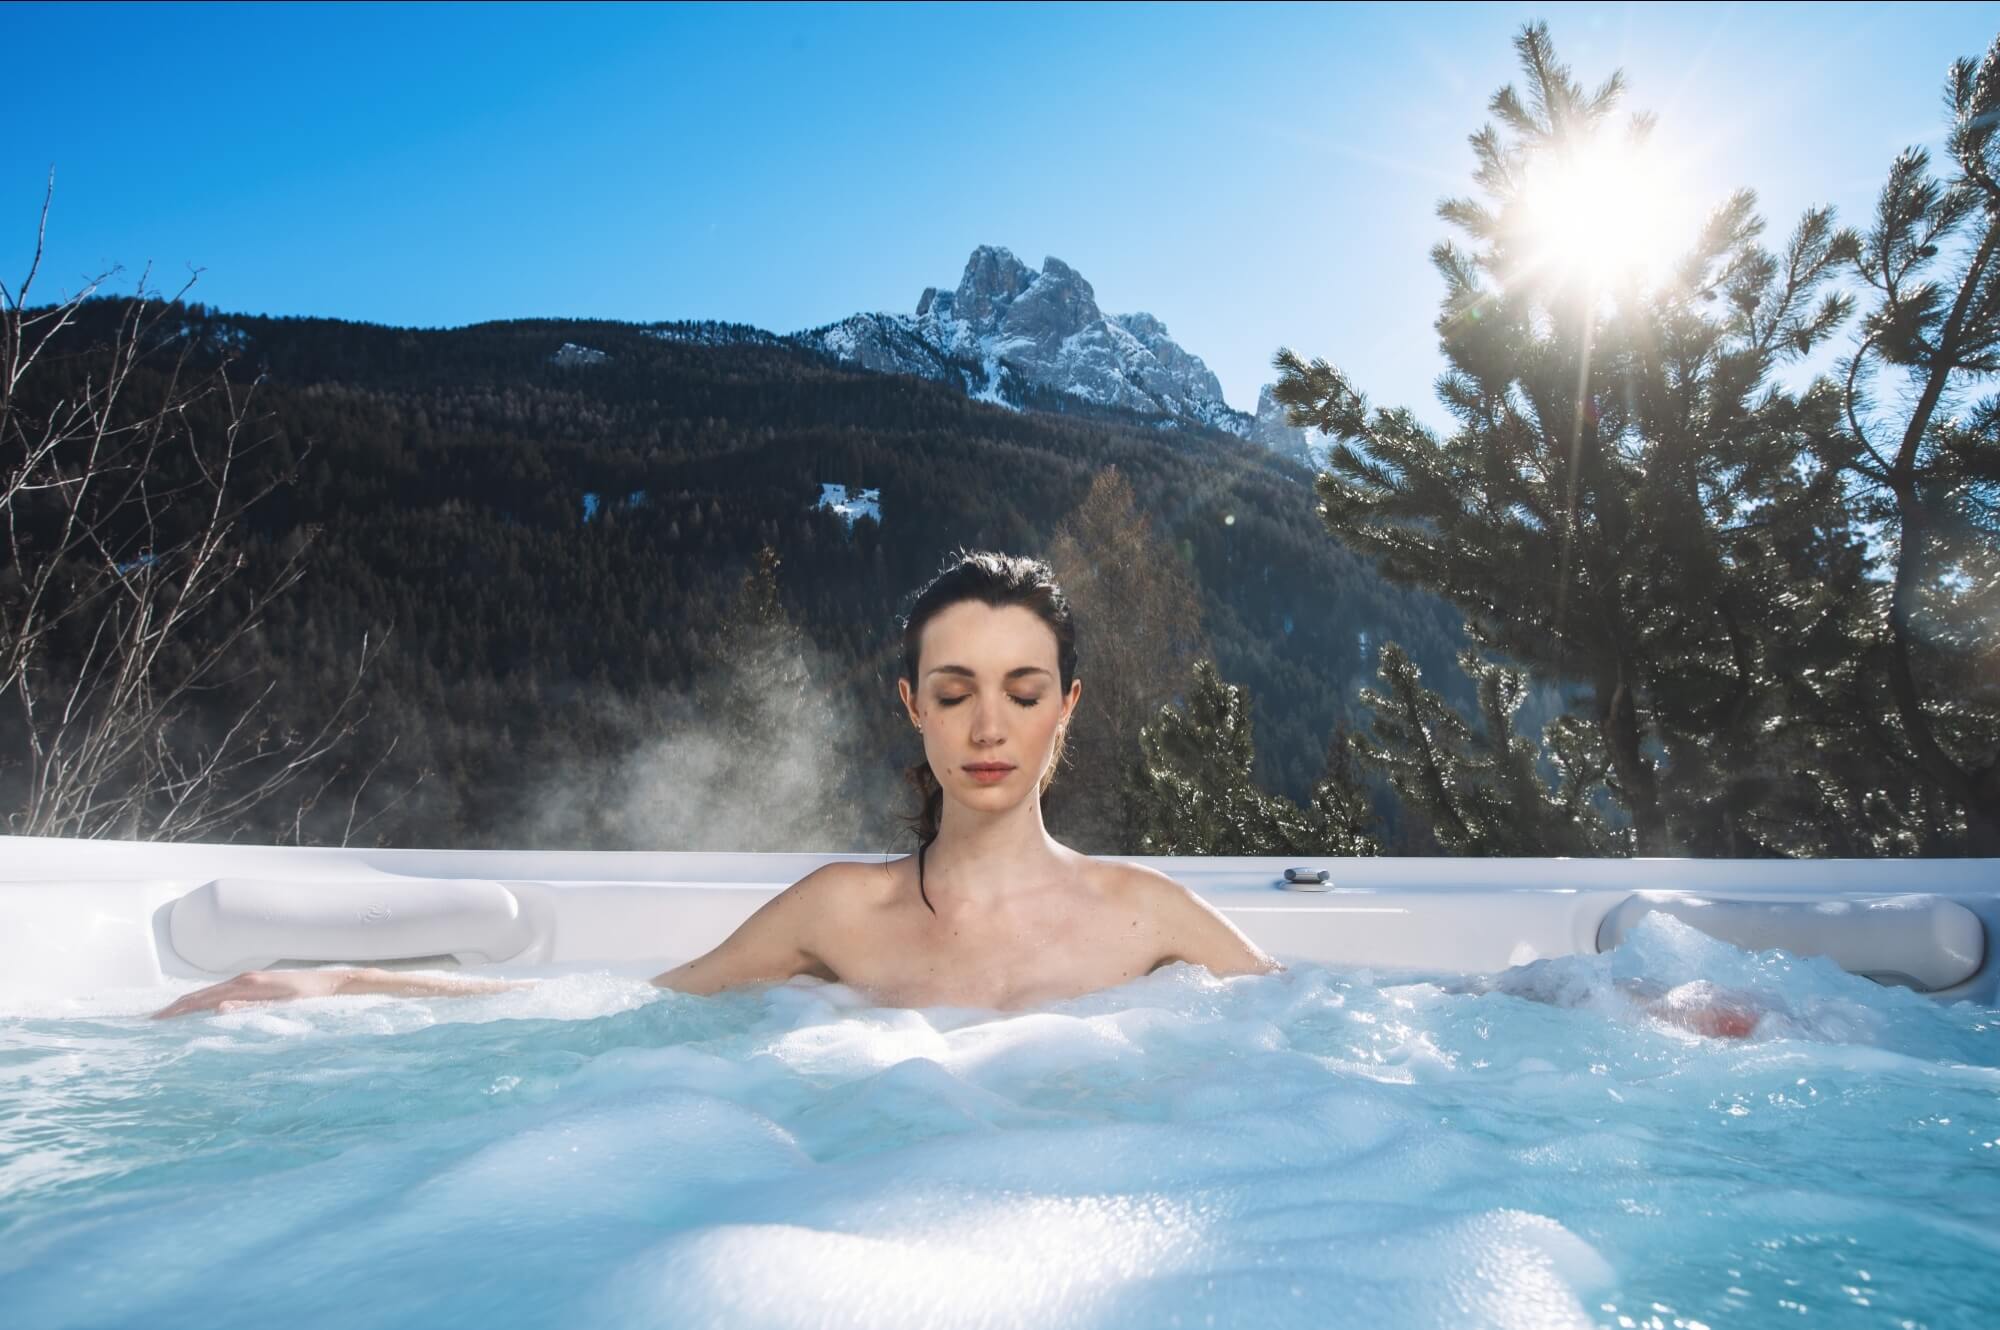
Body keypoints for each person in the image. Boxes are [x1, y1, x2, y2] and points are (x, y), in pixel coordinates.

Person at [152, 550, 1759, 1038]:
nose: (986, 725)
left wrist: (1613, 1009)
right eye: (951, 689)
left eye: (1021, 688)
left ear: (1066, 711)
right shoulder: (840, 914)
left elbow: (1363, 1024)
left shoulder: (1146, 918)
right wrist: (334, 982)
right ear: (908, 711)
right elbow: (597, 1014)